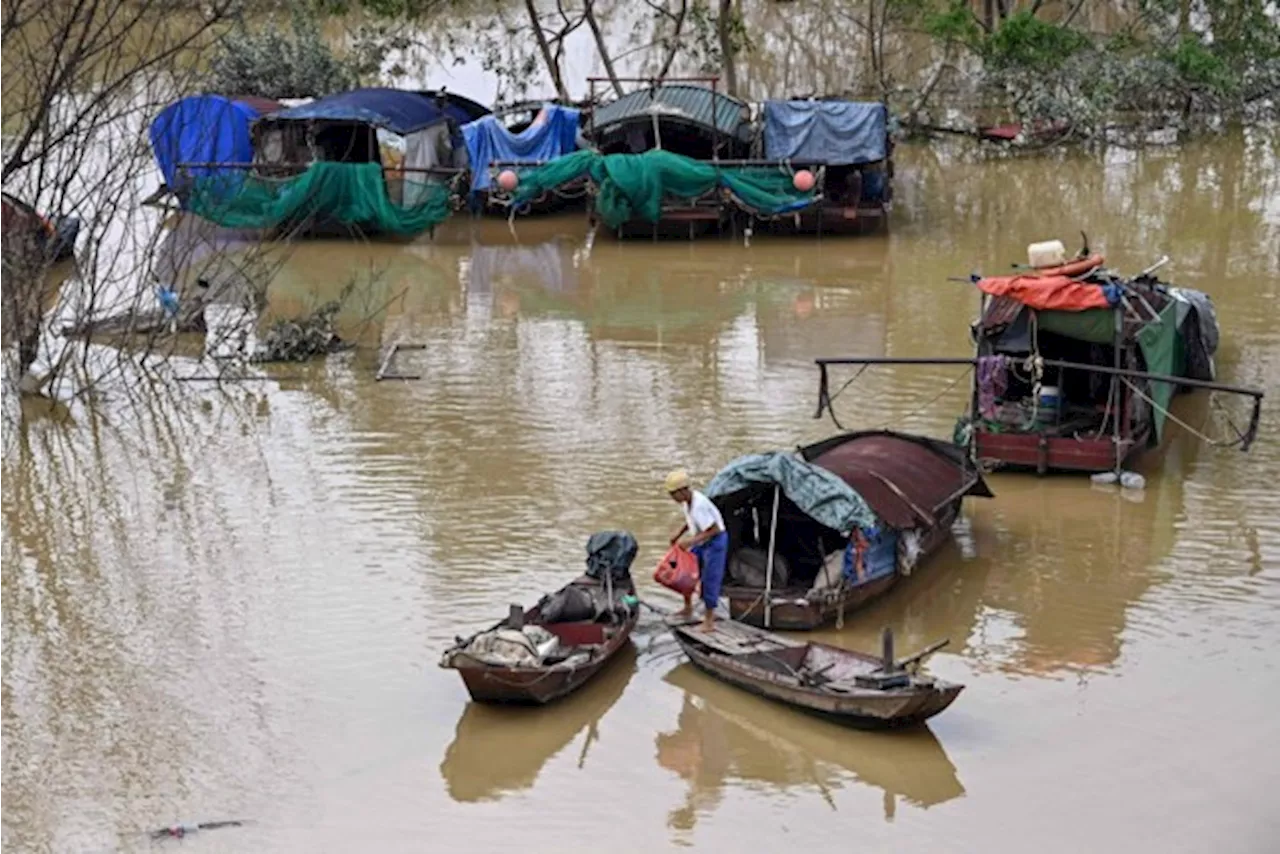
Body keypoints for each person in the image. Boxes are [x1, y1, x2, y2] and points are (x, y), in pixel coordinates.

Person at [665, 470, 728, 632]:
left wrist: (691, 541)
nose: (673, 498)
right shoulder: (688, 502)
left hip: (715, 541)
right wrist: (678, 534)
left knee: (709, 579)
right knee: (685, 573)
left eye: (674, 494)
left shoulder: (699, 504)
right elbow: (691, 520)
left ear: (683, 491)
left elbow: (714, 529)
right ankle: (688, 607)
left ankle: (709, 621)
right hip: (701, 539)